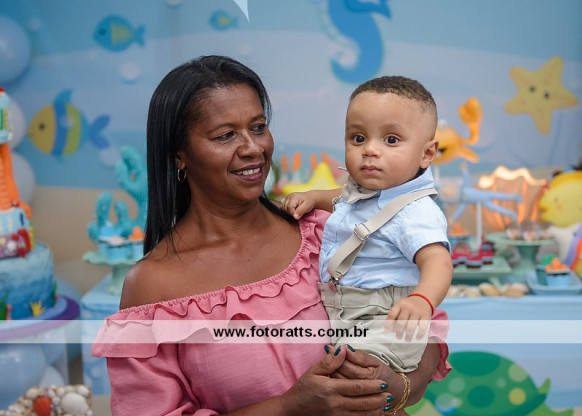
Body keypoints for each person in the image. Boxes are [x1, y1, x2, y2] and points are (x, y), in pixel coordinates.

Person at [92, 56, 450, 415]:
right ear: (179, 155)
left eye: (258, 127)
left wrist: (396, 387)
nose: (253, 148)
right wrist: (290, 407)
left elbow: (424, 327)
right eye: (225, 135)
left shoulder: (325, 230)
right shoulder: (153, 286)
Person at [282, 75, 453, 374]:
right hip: (348, 315)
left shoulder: (415, 212)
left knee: (354, 376)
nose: (369, 150)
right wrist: (313, 197)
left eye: (391, 140)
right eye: (358, 138)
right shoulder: (367, 193)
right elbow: (342, 199)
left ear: (426, 153)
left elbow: (438, 261)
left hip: (385, 320)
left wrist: (422, 300)